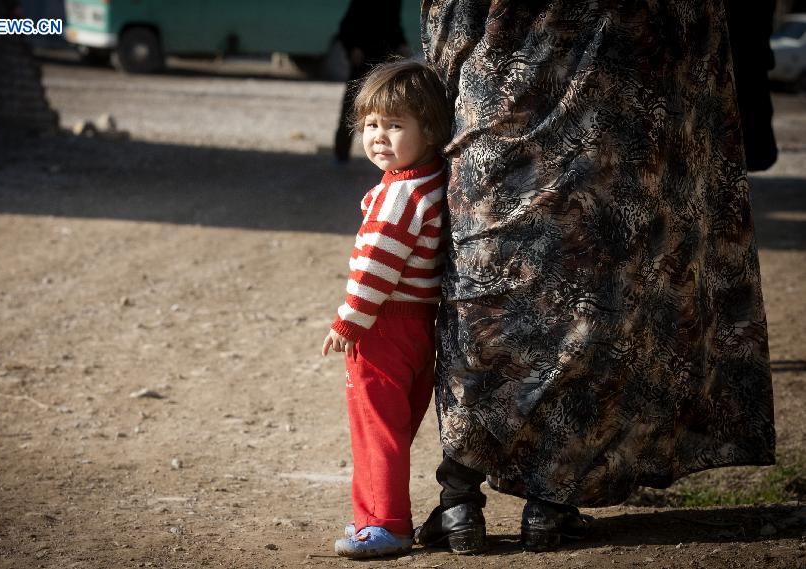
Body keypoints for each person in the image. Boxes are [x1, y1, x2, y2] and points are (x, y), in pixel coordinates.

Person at [415, 0, 776, 554]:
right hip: (616, 124)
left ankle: (460, 499)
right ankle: (551, 502)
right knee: (587, 310)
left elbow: (451, 21)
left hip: (502, 122)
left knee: (485, 306)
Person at [320, 58, 451, 558]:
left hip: (383, 327)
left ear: (430, 130)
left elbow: (376, 266)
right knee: (395, 430)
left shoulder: (397, 195)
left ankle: (383, 524)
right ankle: (388, 516)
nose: (378, 137)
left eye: (395, 126)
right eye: (371, 125)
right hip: (420, 325)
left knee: (376, 433)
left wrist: (348, 320)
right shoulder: (432, 182)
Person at [332, 0, 409, 162]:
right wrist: (353, 48)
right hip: (363, 60)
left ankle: (387, 153)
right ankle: (341, 154)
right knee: (352, 106)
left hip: (384, 60)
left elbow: (394, 26)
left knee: (386, 108)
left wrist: (402, 43)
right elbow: (346, 27)